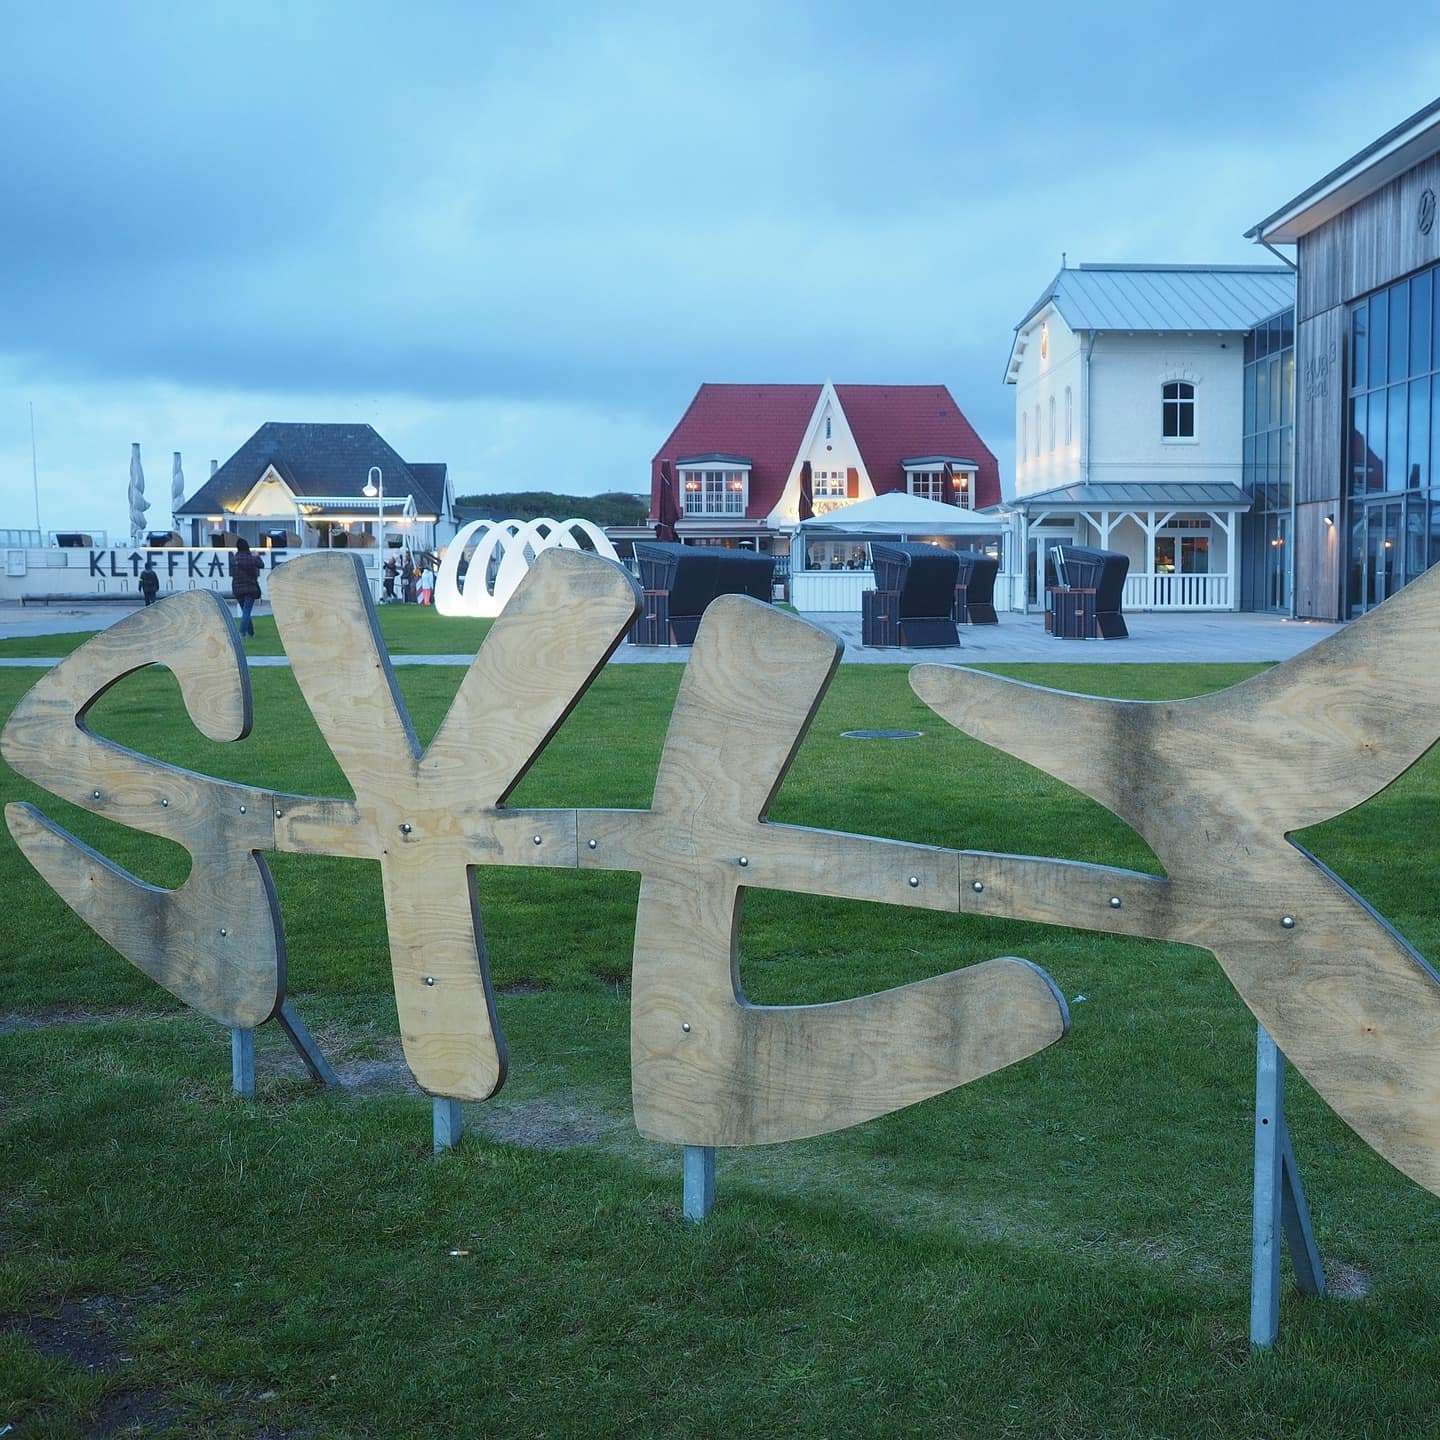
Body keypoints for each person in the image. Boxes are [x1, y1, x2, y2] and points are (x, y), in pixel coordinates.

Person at [230, 537, 264, 638]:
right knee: (247, 611)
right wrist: (257, 556)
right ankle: (242, 632)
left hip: (237, 589)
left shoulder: (234, 559)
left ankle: (251, 633)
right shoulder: (251, 558)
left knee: (245, 611)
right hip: (250, 588)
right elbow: (261, 565)